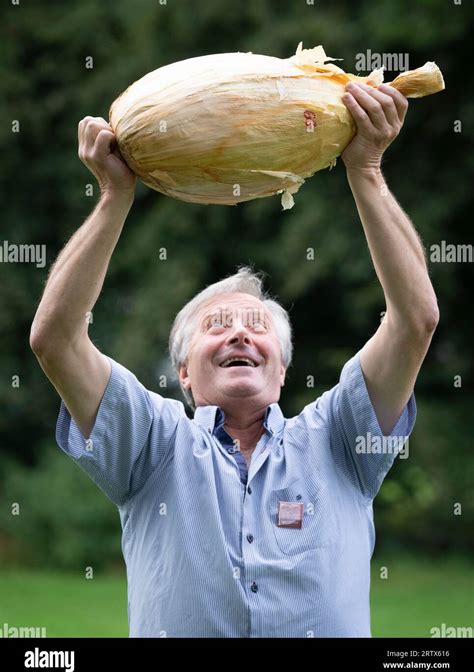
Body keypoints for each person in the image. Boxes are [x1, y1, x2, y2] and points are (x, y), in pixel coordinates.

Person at [30, 81, 439, 637]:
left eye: (258, 327)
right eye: (217, 326)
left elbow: (414, 320)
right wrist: (114, 197)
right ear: (183, 372)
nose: (240, 336)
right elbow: (56, 338)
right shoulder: (152, 442)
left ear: (283, 367)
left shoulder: (340, 436)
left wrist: (365, 170)